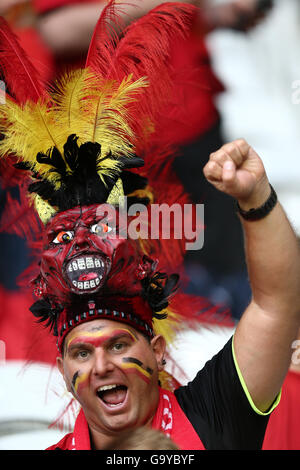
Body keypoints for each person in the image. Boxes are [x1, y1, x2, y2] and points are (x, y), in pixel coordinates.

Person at [1, 1, 299, 450]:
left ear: (158, 353)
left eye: (120, 345)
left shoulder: (213, 413)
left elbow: (276, 304)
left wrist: (256, 198)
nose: (102, 365)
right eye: (82, 353)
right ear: (62, 373)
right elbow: (49, 27)